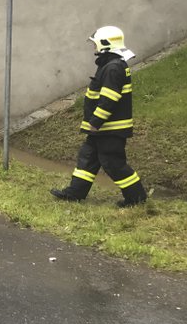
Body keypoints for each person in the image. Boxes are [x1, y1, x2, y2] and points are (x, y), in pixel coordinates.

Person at [51, 26, 148, 208]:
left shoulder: (113, 68)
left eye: (95, 44)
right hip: (102, 129)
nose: (94, 48)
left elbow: (109, 99)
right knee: (87, 159)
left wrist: (95, 122)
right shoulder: (110, 65)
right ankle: (75, 193)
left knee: (114, 164)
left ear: (105, 44)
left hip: (109, 129)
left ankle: (137, 198)